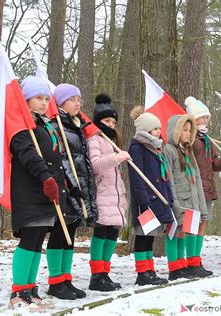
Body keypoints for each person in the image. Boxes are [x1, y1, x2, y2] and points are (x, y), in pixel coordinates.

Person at [8, 76, 64, 311]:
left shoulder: (45, 125)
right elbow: (29, 155)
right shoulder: (21, 126)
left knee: (39, 240)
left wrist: (60, 183)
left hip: (46, 191)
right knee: (29, 240)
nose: (43, 103)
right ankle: (18, 292)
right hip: (29, 190)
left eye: (46, 98)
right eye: (38, 98)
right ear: (27, 100)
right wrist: (45, 177)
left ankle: (30, 289)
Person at [46, 83, 98, 300]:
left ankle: (66, 278)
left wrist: (85, 188)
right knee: (60, 232)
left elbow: (82, 161)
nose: (77, 103)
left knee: (71, 233)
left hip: (80, 186)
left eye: (79, 99)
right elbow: (63, 159)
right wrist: (72, 187)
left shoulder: (77, 125)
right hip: (66, 188)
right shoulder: (56, 125)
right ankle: (55, 281)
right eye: (72, 100)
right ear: (61, 103)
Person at [186, 97, 221, 275]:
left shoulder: (206, 139)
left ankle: (196, 260)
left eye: (207, 118)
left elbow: (213, 163)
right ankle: (190, 261)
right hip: (194, 187)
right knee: (192, 224)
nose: (206, 121)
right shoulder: (190, 138)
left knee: (203, 223)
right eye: (202, 118)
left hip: (207, 186)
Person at [87, 94, 129, 291]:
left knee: (112, 234)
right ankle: (96, 275)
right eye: (106, 120)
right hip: (101, 194)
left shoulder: (113, 140)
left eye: (113, 121)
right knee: (101, 233)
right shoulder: (94, 139)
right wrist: (116, 157)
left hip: (115, 195)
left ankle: (105, 272)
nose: (111, 124)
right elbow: (95, 165)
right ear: (98, 121)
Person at [128, 109, 174, 285]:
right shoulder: (137, 147)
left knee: (151, 237)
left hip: (158, 199)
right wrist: (144, 201)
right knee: (143, 236)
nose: (158, 132)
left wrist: (167, 197)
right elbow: (137, 177)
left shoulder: (156, 147)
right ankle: (142, 272)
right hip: (145, 201)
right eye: (155, 129)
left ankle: (150, 270)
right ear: (146, 130)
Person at [164, 114, 210, 278]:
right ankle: (174, 268)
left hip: (191, 200)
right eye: (184, 130)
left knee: (184, 231)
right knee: (174, 232)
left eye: (189, 131)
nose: (187, 134)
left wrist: (200, 203)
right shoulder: (169, 150)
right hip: (179, 201)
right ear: (175, 131)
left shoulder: (188, 150)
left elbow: (196, 178)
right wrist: (174, 202)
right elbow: (169, 178)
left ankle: (183, 265)